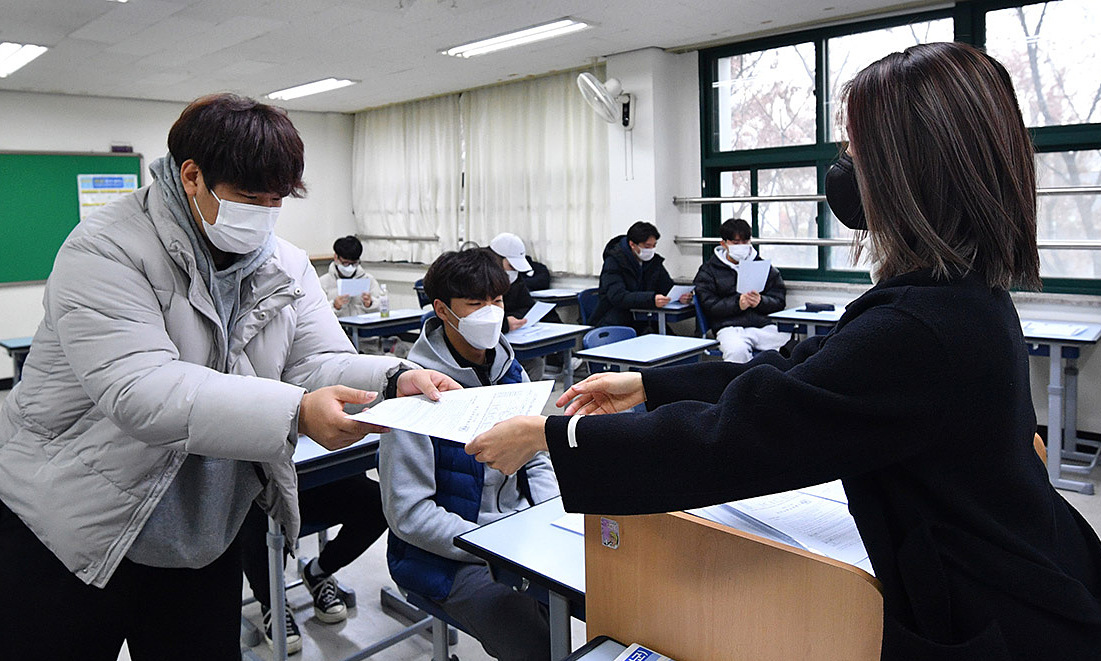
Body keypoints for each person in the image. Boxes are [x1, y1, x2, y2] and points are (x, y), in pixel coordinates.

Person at [465, 43, 1101, 660]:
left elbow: (739, 438)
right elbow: (803, 376)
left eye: (855, 151)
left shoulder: (921, 327)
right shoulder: (957, 297)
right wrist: (652, 387)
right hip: (1025, 566)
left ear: (909, 169)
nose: (843, 169)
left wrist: (555, 436)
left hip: (1001, 616)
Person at [0, 93, 459, 661]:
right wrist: (296, 413)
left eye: (276, 200)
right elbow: (140, 390)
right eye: (249, 197)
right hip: (73, 523)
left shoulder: (283, 262)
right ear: (192, 176)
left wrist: (392, 378)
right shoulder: (105, 250)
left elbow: (312, 359)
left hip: (200, 529)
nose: (265, 213)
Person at [379, 248, 559, 661]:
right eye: (475, 304)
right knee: (534, 643)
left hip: (515, 535)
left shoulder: (509, 370)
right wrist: (490, 544)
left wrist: (547, 515)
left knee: (586, 599)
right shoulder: (414, 393)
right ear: (442, 309)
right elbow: (409, 514)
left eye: (496, 301)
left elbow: (534, 454)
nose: (490, 314)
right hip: (447, 555)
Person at [239, 472, 387, 653]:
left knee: (376, 503)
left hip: (320, 473)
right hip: (265, 489)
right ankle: (272, 602)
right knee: (257, 519)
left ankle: (318, 572)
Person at [693, 218, 788, 362]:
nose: (742, 246)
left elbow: (779, 300)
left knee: (789, 344)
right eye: (736, 243)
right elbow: (708, 305)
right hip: (729, 327)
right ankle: (740, 384)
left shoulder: (763, 267)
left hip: (762, 326)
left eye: (745, 242)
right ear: (724, 244)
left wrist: (761, 302)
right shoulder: (709, 271)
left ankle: (774, 383)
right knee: (737, 351)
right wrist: (738, 304)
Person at [590, 221, 692, 330]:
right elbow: (618, 297)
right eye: (647, 246)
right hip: (615, 321)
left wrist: (680, 296)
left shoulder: (653, 261)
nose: (651, 250)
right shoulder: (613, 262)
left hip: (645, 319)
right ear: (632, 244)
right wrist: (651, 299)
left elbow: (666, 286)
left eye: (654, 246)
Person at [488, 234, 561, 380]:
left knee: (534, 363)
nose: (513, 271)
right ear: (497, 259)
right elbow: (475, 315)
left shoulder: (515, 278)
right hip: (487, 345)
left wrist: (516, 319)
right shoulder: (479, 277)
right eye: (511, 266)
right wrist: (505, 324)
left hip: (511, 338)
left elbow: (526, 305)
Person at [319, 235, 383, 317]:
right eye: (345, 263)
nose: (349, 267)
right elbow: (317, 315)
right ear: (336, 258)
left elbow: (382, 308)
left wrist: (370, 304)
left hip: (362, 327)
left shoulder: (368, 280)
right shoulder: (323, 283)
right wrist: (335, 306)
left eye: (354, 263)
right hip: (339, 328)